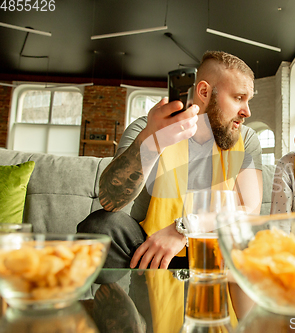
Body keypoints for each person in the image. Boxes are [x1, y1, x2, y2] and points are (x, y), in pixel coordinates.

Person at [78, 51, 263, 270]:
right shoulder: (147, 128)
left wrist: (184, 229)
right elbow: (110, 201)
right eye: (238, 98)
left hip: (213, 245)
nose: (247, 112)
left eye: (247, 100)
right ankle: (114, 302)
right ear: (204, 91)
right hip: (147, 246)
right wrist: (153, 142)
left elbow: (249, 211)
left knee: (245, 239)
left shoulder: (246, 138)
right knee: (100, 227)